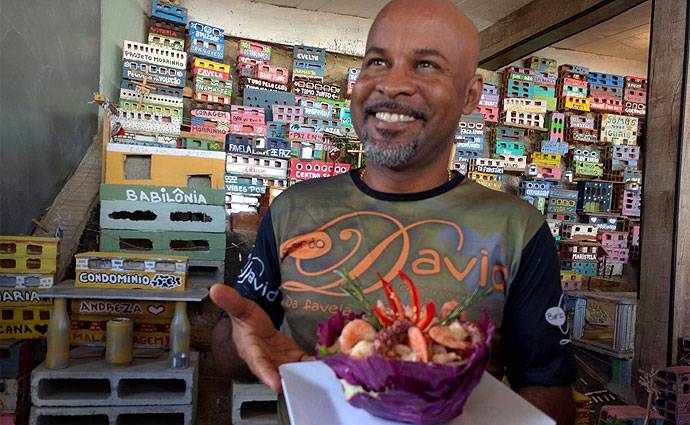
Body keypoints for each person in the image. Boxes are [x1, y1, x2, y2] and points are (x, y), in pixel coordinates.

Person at [211, 0, 578, 423]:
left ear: (470, 95)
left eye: (425, 64)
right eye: (377, 61)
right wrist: (237, 339)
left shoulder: (516, 229)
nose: (393, 84)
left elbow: (547, 389)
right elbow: (237, 346)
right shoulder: (294, 208)